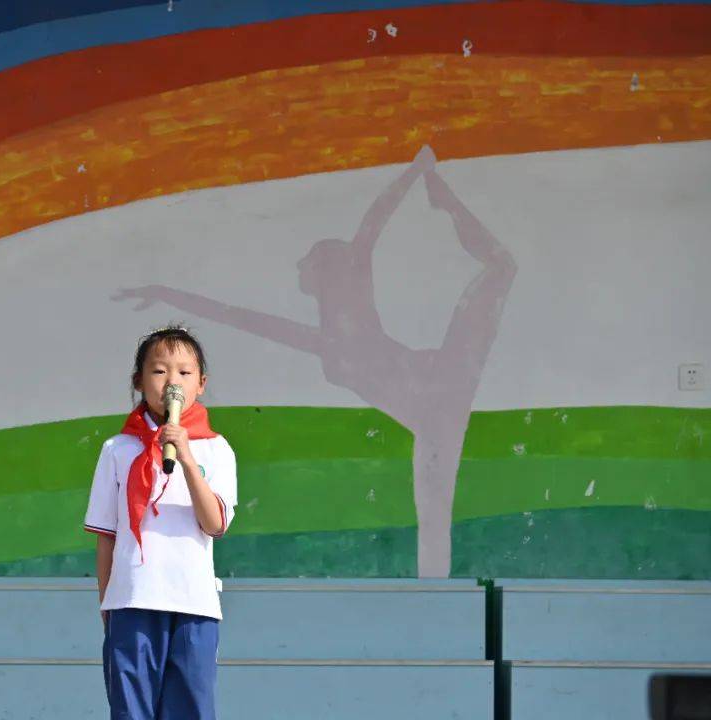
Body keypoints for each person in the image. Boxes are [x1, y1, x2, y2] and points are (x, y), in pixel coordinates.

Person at [113, 146, 517, 577]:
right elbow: (236, 315)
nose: (299, 269)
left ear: (327, 268)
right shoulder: (324, 340)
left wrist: (417, 173)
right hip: (432, 417)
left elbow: (375, 217)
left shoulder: (352, 280)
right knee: (434, 525)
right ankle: (437, 623)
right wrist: (164, 293)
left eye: (307, 265)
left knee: (502, 267)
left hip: (444, 375)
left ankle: (446, 200)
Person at [84, 325, 238, 720]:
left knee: (191, 709)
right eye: (159, 371)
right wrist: (108, 605)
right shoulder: (117, 450)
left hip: (194, 605)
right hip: (132, 601)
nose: (172, 382)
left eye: (185, 373)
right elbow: (107, 537)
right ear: (138, 380)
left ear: (201, 384)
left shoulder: (215, 449)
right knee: (131, 711)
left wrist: (186, 457)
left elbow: (215, 523)